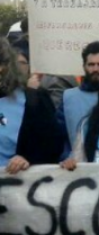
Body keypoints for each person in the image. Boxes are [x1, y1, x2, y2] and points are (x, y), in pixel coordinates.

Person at [0, 38, 64, 174]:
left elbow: (52, 144)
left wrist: (28, 158)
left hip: (18, 184)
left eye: (3, 62)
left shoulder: (34, 97)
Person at [57, 41, 99, 156]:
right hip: (78, 168)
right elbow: (58, 137)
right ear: (84, 66)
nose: (95, 69)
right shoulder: (68, 98)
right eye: (91, 64)